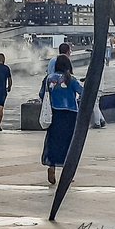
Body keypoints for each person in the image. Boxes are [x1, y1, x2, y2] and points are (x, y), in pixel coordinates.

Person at [39, 53, 83, 186]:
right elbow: (83, 91)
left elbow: (42, 94)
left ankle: (51, 166)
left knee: (53, 140)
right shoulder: (71, 79)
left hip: (55, 113)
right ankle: (67, 170)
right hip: (70, 114)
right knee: (69, 142)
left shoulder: (49, 78)